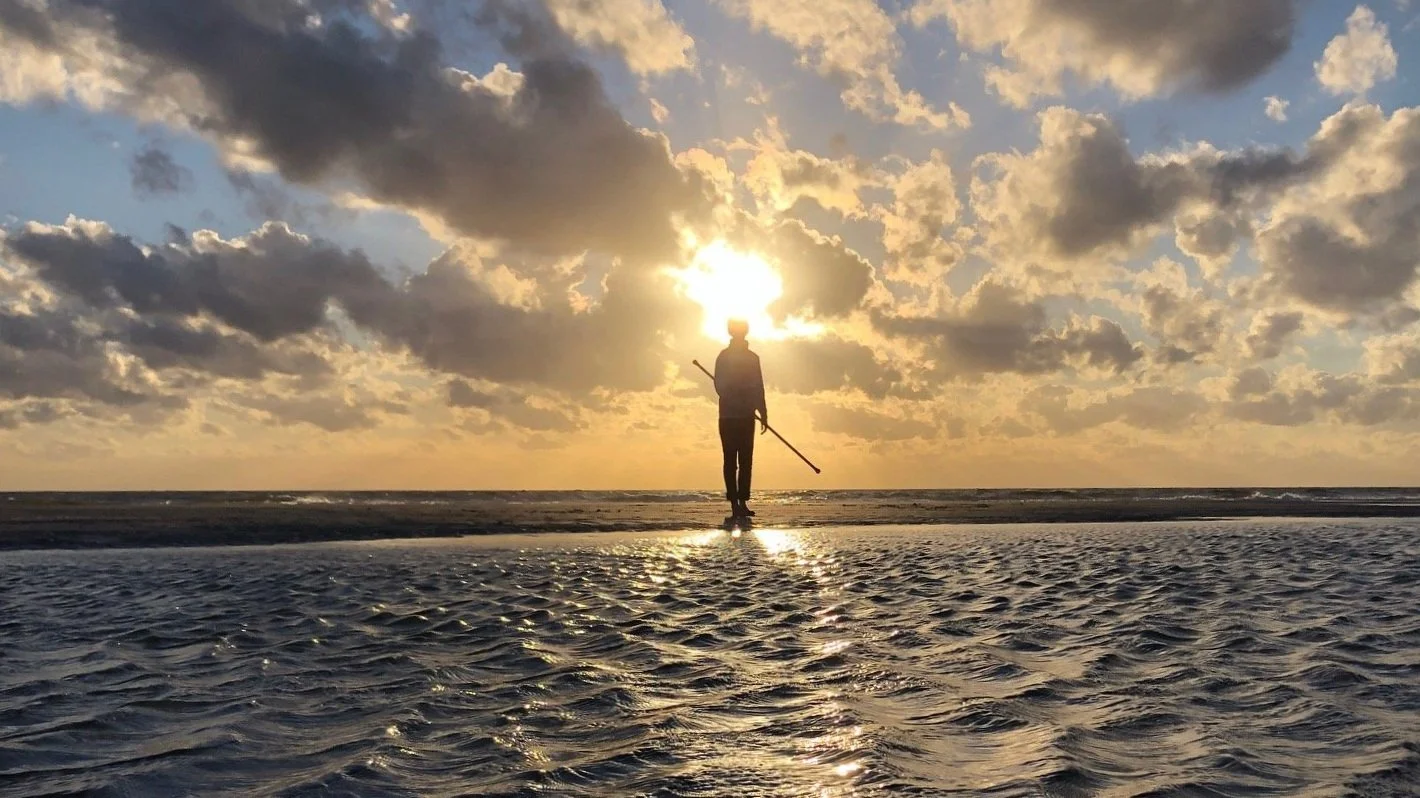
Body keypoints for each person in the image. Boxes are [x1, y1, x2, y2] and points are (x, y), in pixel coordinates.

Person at [714, 318, 768, 519]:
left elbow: (759, 386)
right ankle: (734, 504)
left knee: (745, 460)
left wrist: (763, 411)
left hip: (745, 415)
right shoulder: (724, 357)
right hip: (729, 416)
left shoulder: (753, 358)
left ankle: (742, 502)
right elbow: (719, 385)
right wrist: (735, 393)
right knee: (731, 460)